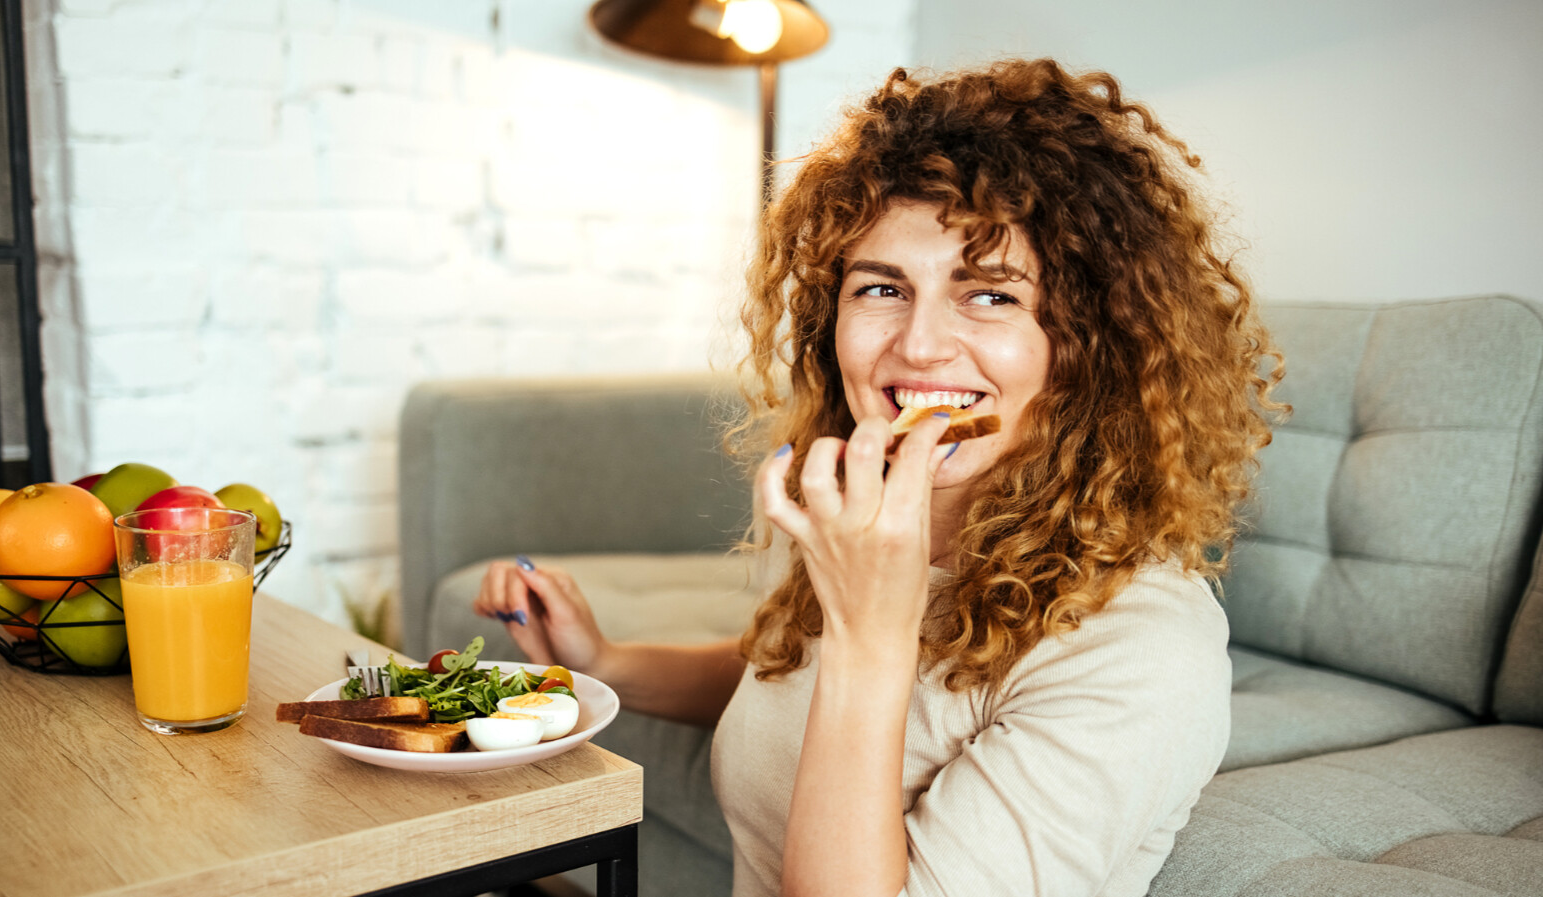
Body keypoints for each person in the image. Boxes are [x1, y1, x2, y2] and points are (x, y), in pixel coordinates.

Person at [474, 57, 1283, 897]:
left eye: (991, 295)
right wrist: (607, 660)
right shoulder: (890, 512)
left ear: (1091, 343)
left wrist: (872, 630)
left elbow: (857, 669)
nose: (920, 345)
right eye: (883, 287)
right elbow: (783, 673)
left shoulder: (1141, 651)